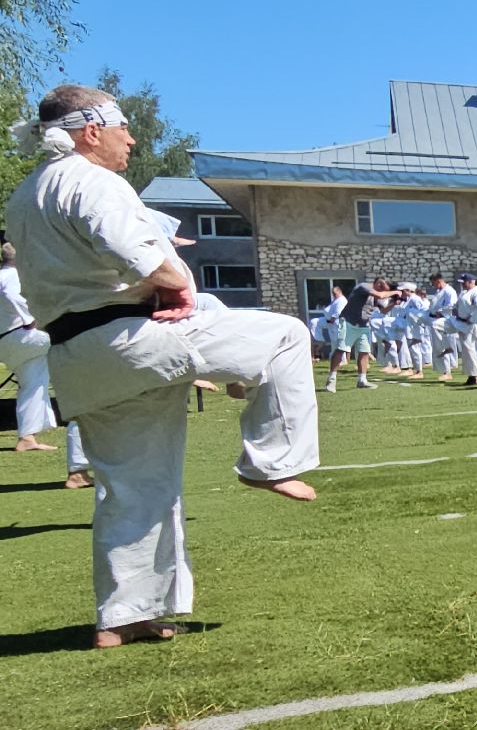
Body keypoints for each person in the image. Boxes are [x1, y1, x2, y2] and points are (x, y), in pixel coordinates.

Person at [6, 83, 320, 647]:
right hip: (131, 336)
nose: (132, 137)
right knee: (286, 336)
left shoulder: (25, 196)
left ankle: (124, 616)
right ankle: (270, 462)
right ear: (92, 130)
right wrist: (175, 283)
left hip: (78, 359)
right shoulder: (92, 180)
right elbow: (128, 246)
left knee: (133, 489)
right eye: (123, 126)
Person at [0, 240, 91, 486]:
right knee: (78, 336)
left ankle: (27, 437)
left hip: (10, 342)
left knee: (33, 382)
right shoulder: (12, 276)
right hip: (23, 335)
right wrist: (31, 318)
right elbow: (11, 293)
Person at [325, 278, 403, 391]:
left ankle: (362, 380)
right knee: (341, 349)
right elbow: (380, 295)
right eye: (382, 288)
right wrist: (395, 292)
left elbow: (383, 311)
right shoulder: (363, 286)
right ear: (379, 283)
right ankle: (331, 379)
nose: (382, 290)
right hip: (348, 322)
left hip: (363, 325)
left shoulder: (377, 294)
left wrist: (394, 303)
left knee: (364, 352)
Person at [452, 273, 477, 386]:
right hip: (460, 322)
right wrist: (455, 310)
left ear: (471, 282)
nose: (463, 285)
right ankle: (470, 375)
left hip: (471, 324)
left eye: (465, 282)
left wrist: (472, 318)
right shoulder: (463, 293)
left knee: (470, 349)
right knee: (466, 351)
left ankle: (475, 376)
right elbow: (457, 305)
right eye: (462, 283)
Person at [425, 273, 459, 382]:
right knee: (439, 346)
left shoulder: (450, 291)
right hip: (436, 320)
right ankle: (445, 371)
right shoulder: (439, 292)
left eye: (434, 283)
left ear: (438, 280)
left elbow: (452, 305)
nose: (433, 285)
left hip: (446, 321)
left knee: (442, 346)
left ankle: (447, 372)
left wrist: (440, 312)